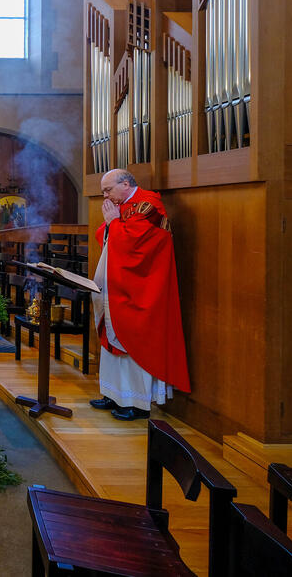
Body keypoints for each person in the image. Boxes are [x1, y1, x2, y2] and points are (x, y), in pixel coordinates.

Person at [90, 169, 190, 420]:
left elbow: (135, 246)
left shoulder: (148, 205)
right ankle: (114, 394)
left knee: (133, 342)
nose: (105, 195)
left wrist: (114, 224)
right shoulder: (124, 205)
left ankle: (136, 402)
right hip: (119, 287)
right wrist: (112, 224)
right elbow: (106, 236)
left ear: (125, 183)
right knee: (114, 341)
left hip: (141, 289)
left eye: (108, 189)